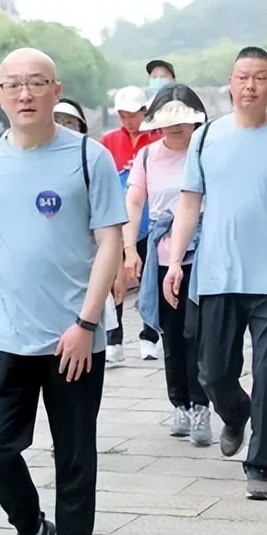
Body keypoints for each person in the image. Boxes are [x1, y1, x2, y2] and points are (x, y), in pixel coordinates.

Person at [0, 48, 127, 535]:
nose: (25, 93)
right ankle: (32, 529)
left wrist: (86, 322)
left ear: (57, 91)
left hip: (73, 338)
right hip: (6, 332)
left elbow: (110, 244)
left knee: (74, 456)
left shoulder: (88, 156)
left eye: (37, 83)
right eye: (14, 85)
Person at [165, 46, 267, 500]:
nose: (250, 86)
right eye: (242, 77)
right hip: (216, 273)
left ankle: (260, 463)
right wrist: (175, 261)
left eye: (260, 78)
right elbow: (189, 203)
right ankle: (235, 414)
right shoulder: (207, 137)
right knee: (213, 372)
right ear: (230, 84)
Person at [123, 83, 212, 446]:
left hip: (205, 256)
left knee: (199, 334)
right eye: (168, 120)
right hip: (162, 257)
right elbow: (133, 202)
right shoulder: (147, 157)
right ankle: (181, 403)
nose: (176, 128)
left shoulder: (207, 151)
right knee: (173, 335)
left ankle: (203, 404)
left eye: (183, 119)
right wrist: (130, 248)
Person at [100, 87, 162, 363]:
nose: (127, 121)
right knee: (115, 278)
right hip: (119, 219)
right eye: (123, 116)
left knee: (151, 280)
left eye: (132, 115)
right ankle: (114, 338)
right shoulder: (109, 141)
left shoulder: (157, 139)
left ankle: (150, 334)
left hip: (152, 220)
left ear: (144, 113)